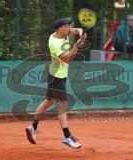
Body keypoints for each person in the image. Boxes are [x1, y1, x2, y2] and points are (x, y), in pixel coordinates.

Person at [25, 17, 86, 149]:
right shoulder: (54, 44)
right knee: (63, 103)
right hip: (56, 77)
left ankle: (32, 127)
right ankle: (67, 136)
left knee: (48, 101)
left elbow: (76, 30)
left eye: (68, 26)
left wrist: (81, 33)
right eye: (66, 26)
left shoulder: (63, 33)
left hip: (58, 75)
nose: (68, 28)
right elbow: (67, 59)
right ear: (59, 29)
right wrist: (77, 45)